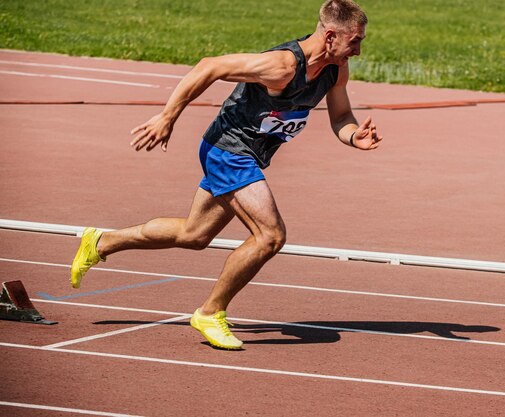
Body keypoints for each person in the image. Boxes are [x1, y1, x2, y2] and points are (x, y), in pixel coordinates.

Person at [70, 0, 382, 350]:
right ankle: (209, 312)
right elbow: (209, 66)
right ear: (329, 36)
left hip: (247, 156)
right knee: (270, 236)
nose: (358, 49)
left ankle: (100, 242)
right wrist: (167, 117)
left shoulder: (334, 69)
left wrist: (355, 136)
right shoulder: (281, 66)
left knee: (194, 234)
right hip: (228, 151)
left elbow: (341, 117)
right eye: (355, 41)